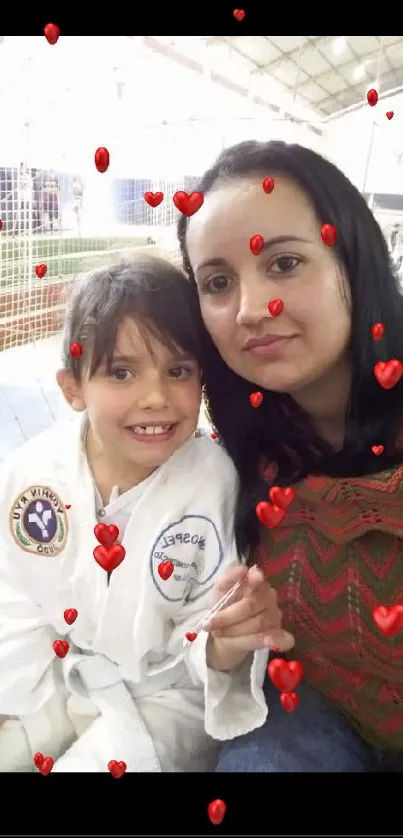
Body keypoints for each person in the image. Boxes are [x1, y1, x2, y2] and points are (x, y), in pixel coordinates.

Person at [0, 253, 293, 773]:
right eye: (121, 372)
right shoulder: (33, 475)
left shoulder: (211, 480)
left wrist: (222, 648)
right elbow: (14, 600)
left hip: (166, 696)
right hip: (61, 674)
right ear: (72, 388)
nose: (155, 397)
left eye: (177, 371)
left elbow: (212, 620)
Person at [177, 139, 403, 772]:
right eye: (217, 282)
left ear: (352, 259)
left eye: (283, 264)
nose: (251, 311)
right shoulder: (238, 454)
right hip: (307, 720)